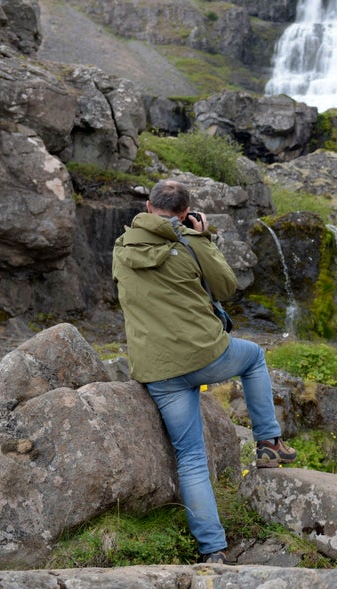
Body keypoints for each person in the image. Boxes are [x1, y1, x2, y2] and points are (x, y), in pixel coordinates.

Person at [111, 179, 296, 564]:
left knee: (190, 458)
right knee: (254, 357)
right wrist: (203, 236)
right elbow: (226, 286)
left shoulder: (122, 248)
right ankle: (268, 443)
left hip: (158, 370)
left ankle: (213, 551)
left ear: (148, 207)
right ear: (185, 212)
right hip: (205, 355)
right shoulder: (190, 243)